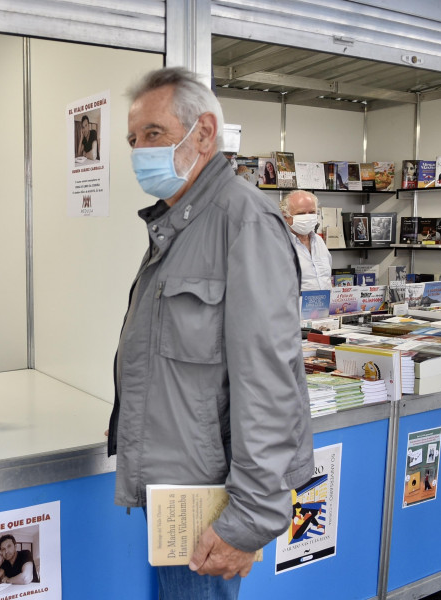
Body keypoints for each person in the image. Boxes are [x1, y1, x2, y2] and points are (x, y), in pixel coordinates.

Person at [108, 66, 313, 599]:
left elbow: (269, 386)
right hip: (177, 492)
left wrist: (246, 521)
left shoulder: (242, 223)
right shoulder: (179, 224)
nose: (139, 152)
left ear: (203, 133)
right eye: (133, 140)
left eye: (153, 134)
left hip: (210, 505)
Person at [281, 190, 332, 291]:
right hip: (295, 306)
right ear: (285, 216)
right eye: (301, 213)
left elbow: (326, 279)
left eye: (312, 212)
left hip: (325, 306)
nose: (308, 217)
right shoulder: (278, 245)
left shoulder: (319, 241)